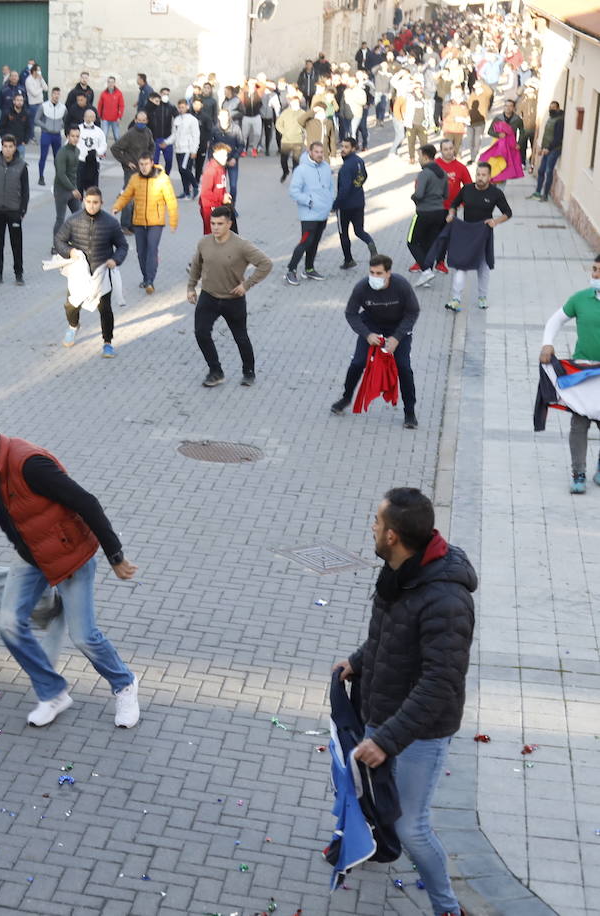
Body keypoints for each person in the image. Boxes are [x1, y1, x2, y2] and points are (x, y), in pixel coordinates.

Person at [0, 409, 142, 729]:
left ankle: (124, 684)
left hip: (70, 557)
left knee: (84, 636)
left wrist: (116, 556)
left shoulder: (30, 464)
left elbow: (87, 502)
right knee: (9, 624)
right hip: (32, 558)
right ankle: (53, 693)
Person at [333, 488, 476, 916]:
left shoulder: (447, 599)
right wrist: (358, 661)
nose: (372, 527)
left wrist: (388, 739)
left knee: (413, 827)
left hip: (419, 731)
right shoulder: (400, 571)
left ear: (393, 535)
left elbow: (441, 682)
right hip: (385, 711)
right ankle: (377, 846)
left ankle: (447, 908)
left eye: (377, 522)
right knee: (374, 798)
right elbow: (390, 634)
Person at [330, 254, 419, 429]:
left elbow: (413, 312)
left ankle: (410, 412)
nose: (374, 277)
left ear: (388, 273)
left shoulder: (401, 286)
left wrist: (397, 337)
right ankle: (346, 397)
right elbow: (351, 313)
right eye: (372, 273)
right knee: (357, 363)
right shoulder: (362, 287)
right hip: (372, 326)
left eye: (379, 273)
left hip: (398, 328)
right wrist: (366, 334)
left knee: (403, 367)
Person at [186, 205, 271, 387]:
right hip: (208, 296)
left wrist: (246, 285)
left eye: (220, 224)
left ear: (229, 224)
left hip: (233, 299)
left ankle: (249, 372)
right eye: (212, 223)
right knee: (201, 333)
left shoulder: (242, 245)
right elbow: (196, 266)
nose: (215, 227)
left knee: (240, 337)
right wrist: (191, 287)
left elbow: (266, 264)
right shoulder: (204, 243)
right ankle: (215, 371)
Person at [539, 255, 600, 493]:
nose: (594, 275)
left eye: (599, 272)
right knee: (579, 423)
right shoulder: (581, 299)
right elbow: (555, 320)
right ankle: (579, 473)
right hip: (583, 373)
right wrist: (547, 343)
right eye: (594, 270)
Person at [53, 187, 128, 357]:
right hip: (78, 273)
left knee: (105, 310)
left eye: (95, 203)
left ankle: (107, 342)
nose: (92, 206)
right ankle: (73, 326)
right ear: (84, 202)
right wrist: (69, 251)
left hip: (100, 273)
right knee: (71, 305)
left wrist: (115, 260)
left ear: (101, 203)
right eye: (88, 202)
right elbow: (59, 240)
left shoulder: (110, 223)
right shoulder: (73, 220)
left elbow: (123, 245)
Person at [443, 162, 512, 312]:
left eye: (483, 175)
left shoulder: (496, 193)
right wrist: (451, 214)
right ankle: (455, 299)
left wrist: (495, 221)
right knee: (462, 267)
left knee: (484, 267)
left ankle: (482, 297)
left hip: (484, 234)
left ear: (490, 176)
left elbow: (508, 213)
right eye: (478, 174)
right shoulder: (467, 189)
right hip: (467, 233)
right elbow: (454, 204)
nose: (480, 178)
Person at [111, 152, 177, 294]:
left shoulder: (162, 179)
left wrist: (173, 221)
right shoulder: (135, 179)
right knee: (141, 253)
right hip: (139, 221)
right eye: (141, 164)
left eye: (146, 164)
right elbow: (126, 195)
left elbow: (171, 200)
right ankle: (146, 278)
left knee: (152, 250)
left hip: (156, 222)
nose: (144, 167)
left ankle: (150, 281)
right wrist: (117, 206)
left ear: (152, 163)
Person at [0, 133, 30, 286]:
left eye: (10, 147)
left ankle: (19, 273)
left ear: (15, 148)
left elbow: (25, 191)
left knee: (17, 243)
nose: (7, 150)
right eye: (5, 146)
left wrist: (22, 211)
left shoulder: (22, 166)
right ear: (1, 147)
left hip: (14, 210)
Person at [334, 137, 377, 271]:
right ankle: (371, 245)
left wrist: (336, 204)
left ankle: (348, 260)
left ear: (353, 148)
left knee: (343, 233)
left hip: (345, 206)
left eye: (346, 147)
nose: (343, 150)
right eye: (342, 146)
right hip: (359, 202)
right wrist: (356, 186)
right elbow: (363, 176)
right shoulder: (359, 161)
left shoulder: (346, 167)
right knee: (359, 230)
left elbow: (345, 188)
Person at [408, 145, 449, 285]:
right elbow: (446, 194)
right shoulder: (443, 173)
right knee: (429, 243)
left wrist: (413, 197)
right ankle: (427, 276)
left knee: (411, 242)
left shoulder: (424, 173)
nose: (419, 159)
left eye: (419, 156)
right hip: (439, 212)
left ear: (425, 157)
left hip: (424, 212)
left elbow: (419, 194)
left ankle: (426, 270)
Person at [110, 111, 156, 189]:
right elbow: (114, 148)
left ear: (147, 121)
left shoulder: (148, 132)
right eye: (139, 120)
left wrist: (149, 158)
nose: (141, 122)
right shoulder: (130, 134)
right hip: (131, 168)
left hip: (144, 167)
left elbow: (152, 146)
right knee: (129, 190)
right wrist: (127, 162)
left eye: (144, 120)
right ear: (135, 120)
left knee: (142, 191)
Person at [530, 101, 564, 202]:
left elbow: (558, 137)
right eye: (550, 107)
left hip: (554, 149)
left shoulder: (559, 120)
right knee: (541, 170)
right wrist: (543, 147)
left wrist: (548, 148)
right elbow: (546, 135)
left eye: (553, 108)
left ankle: (545, 195)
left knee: (549, 172)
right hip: (546, 149)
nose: (551, 109)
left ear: (557, 108)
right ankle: (537, 192)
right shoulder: (551, 118)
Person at [53, 126, 83, 236]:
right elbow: (61, 174)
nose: (75, 138)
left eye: (77, 136)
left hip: (72, 189)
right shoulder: (62, 153)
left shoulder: (77, 151)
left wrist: (76, 188)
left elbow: (73, 173)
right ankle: (56, 245)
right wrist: (73, 189)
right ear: (67, 136)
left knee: (79, 215)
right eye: (72, 136)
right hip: (61, 189)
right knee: (60, 218)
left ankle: (74, 240)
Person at [197, 143, 232, 235]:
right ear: (215, 154)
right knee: (212, 237)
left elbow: (221, 186)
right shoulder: (211, 170)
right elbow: (205, 193)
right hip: (210, 209)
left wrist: (225, 194)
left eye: (226, 155)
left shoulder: (221, 168)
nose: (225, 157)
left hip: (218, 207)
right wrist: (221, 198)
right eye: (222, 155)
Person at [36, 87, 66, 186]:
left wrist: (61, 126)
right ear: (51, 94)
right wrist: (45, 127)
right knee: (43, 156)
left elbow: (66, 120)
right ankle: (41, 177)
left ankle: (58, 178)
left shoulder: (63, 108)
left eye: (58, 94)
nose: (56, 96)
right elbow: (36, 120)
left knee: (58, 158)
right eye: (55, 94)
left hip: (57, 135)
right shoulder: (44, 106)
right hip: (46, 134)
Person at [173, 98, 201, 200]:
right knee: (182, 171)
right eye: (179, 107)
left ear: (187, 107)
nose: (181, 109)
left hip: (188, 149)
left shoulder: (192, 119)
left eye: (183, 107)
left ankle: (196, 186)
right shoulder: (177, 119)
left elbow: (196, 135)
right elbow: (174, 135)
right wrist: (166, 142)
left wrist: (194, 150)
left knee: (184, 168)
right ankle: (186, 192)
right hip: (178, 149)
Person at [276, 97, 309, 182]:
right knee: (283, 160)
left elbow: (307, 126)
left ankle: (295, 178)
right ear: (290, 103)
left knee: (296, 161)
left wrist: (306, 136)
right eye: (293, 103)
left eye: (297, 103)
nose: (295, 104)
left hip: (298, 140)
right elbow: (278, 124)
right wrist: (283, 132)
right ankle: (285, 171)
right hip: (286, 140)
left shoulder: (303, 113)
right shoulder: (285, 112)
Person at [76, 108, 107, 191]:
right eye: (87, 116)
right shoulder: (78, 129)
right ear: (84, 117)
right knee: (78, 185)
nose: (89, 119)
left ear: (94, 118)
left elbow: (103, 145)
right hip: (80, 161)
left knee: (93, 189)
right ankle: (78, 202)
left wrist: (97, 152)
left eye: (91, 117)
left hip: (93, 161)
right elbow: (71, 142)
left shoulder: (99, 131)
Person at [148, 90, 178, 174]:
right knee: (155, 160)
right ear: (160, 94)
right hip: (156, 137)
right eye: (164, 94)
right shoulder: (155, 106)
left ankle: (166, 175)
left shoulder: (171, 107)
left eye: (167, 94)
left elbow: (178, 118)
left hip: (167, 137)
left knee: (169, 160)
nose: (165, 96)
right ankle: (155, 176)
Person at [98, 76, 125, 142]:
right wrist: (99, 116)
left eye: (112, 82)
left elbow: (121, 106)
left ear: (114, 83)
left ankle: (118, 151)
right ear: (107, 83)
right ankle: (103, 152)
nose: (110, 84)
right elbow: (100, 105)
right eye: (109, 82)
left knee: (117, 136)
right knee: (104, 136)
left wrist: (119, 117)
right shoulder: (103, 93)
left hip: (115, 119)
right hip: (105, 119)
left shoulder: (119, 93)